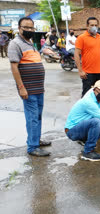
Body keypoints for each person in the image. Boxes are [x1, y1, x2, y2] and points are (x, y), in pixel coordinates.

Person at [8, 17, 51, 157]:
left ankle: (36, 140)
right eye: (26, 27)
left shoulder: (30, 42)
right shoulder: (15, 44)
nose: (29, 30)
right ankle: (32, 147)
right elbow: (14, 67)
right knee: (32, 117)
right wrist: (21, 87)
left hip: (39, 88)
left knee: (37, 116)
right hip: (28, 89)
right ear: (19, 28)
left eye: (31, 28)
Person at [75, 17, 100, 97]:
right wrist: (80, 70)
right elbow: (76, 54)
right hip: (88, 73)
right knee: (87, 95)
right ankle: (84, 109)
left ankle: (97, 109)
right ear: (87, 26)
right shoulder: (81, 38)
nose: (94, 27)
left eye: (96, 25)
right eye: (92, 25)